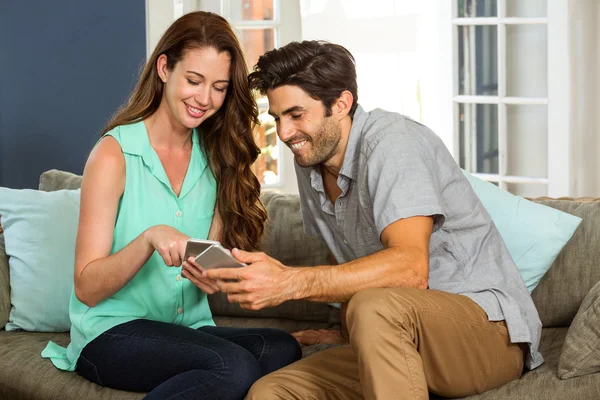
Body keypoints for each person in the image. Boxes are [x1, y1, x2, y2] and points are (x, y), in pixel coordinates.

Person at [200, 40, 543, 400]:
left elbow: (410, 269)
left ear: (341, 104)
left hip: (488, 336)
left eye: (297, 115)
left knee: (373, 305)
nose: (285, 134)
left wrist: (289, 283)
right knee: (272, 391)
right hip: (396, 333)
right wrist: (353, 329)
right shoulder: (312, 157)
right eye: (278, 118)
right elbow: (344, 258)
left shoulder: (393, 143)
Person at [41, 12, 301, 400]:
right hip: (111, 333)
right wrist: (149, 239)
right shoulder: (115, 154)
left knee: (281, 348)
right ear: (164, 68)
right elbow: (87, 287)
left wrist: (216, 275)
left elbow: (208, 266)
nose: (204, 99)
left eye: (219, 87)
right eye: (194, 81)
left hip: (185, 332)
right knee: (233, 366)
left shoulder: (216, 158)